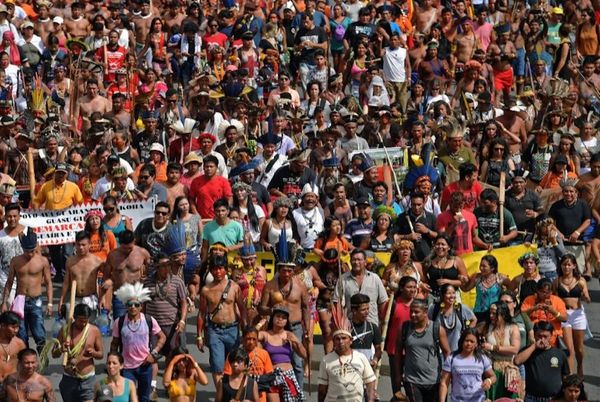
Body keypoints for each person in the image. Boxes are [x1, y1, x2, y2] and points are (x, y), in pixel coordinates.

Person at [110, 282, 166, 402]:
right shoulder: (119, 322)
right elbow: (114, 343)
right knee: (128, 397)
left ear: (141, 306)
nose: (133, 307)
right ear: (126, 306)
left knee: (145, 398)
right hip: (126, 367)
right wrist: (113, 363)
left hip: (145, 366)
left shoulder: (149, 320)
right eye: (130, 304)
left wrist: (153, 354)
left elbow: (162, 337)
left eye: (136, 304)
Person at [197, 254, 247, 386]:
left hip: (232, 330)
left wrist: (245, 329)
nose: (217, 272)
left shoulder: (234, 287)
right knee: (217, 365)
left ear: (226, 269)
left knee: (234, 364)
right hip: (214, 331)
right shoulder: (206, 290)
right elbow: (202, 313)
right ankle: (221, 394)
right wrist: (199, 336)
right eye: (214, 269)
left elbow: (242, 309)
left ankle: (231, 392)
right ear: (210, 270)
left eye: (220, 268)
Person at [1, 230, 51, 352]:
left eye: (33, 250)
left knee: (39, 333)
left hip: (36, 300)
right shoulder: (16, 261)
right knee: (21, 334)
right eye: (27, 251)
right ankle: (25, 361)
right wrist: (4, 302)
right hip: (20, 300)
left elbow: (49, 282)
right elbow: (9, 282)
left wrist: (49, 303)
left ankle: (42, 359)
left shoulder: (43, 261)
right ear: (22, 248)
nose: (30, 254)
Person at [395, 298, 450, 402]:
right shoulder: (404, 328)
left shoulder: (437, 329)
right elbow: (398, 353)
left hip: (434, 381)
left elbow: (447, 352)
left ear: (425, 312)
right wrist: (398, 375)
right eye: (411, 311)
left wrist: (446, 376)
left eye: (416, 312)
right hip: (412, 380)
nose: (412, 314)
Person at [317, 313, 377, 402]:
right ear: (333, 341)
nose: (341, 342)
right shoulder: (326, 360)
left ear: (351, 341)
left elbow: (370, 382)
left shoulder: (360, 358)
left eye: (344, 338)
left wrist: (370, 400)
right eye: (337, 339)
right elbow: (322, 388)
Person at [52, 304, 103, 402]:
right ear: (74, 317)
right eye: (80, 321)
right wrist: (61, 349)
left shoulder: (94, 331)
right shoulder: (65, 330)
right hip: (69, 378)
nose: (83, 324)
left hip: (88, 379)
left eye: (86, 320)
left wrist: (93, 353)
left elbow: (101, 354)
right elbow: (54, 354)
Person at [143, 254, 188, 361]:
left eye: (169, 265)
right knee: (152, 356)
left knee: (173, 355)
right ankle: (153, 378)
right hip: (153, 326)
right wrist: (143, 322)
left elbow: (183, 302)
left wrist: (182, 321)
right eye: (163, 266)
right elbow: (143, 304)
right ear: (157, 267)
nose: (167, 268)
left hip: (172, 325)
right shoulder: (148, 283)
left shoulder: (177, 281)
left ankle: (169, 377)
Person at [553, 253, 591, 376]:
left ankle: (580, 366)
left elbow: (587, 298)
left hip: (578, 314)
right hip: (564, 315)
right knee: (570, 349)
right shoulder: (557, 281)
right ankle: (569, 376)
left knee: (579, 349)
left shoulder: (580, 281)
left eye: (569, 264)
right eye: (564, 265)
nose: (566, 267)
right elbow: (554, 298)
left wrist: (585, 296)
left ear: (574, 266)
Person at [258, 305, 306, 402]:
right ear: (273, 318)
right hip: (272, 375)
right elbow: (251, 336)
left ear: (286, 321)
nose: (280, 319)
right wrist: (259, 325)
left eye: (284, 318)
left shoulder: (289, 334)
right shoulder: (265, 334)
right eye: (278, 316)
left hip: (288, 375)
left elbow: (304, 355)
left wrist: (296, 341)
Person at [514, 321, 570, 402]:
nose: (542, 339)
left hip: (553, 399)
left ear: (551, 335)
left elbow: (566, 377)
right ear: (534, 335)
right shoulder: (528, 351)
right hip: (531, 398)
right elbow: (517, 361)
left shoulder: (559, 354)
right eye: (539, 336)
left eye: (545, 336)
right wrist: (534, 346)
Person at [102, 230, 151, 320]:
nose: (127, 251)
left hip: (137, 295)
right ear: (120, 244)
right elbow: (106, 277)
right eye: (124, 248)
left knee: (139, 323)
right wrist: (104, 297)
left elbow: (152, 269)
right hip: (120, 296)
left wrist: (147, 277)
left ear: (134, 241)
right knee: (119, 324)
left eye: (130, 248)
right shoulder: (112, 255)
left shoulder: (142, 253)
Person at [438, 328, 496, 402]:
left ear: (476, 344)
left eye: (472, 341)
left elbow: (493, 376)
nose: (469, 343)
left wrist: (489, 381)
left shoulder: (482, 359)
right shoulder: (452, 358)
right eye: (466, 340)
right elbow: (444, 383)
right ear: (462, 341)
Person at [333, 249, 388, 327]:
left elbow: (383, 302)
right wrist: (340, 324)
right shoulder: (343, 279)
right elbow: (337, 303)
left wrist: (383, 322)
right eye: (353, 260)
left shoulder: (375, 278)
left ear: (365, 262)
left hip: (372, 324)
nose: (356, 262)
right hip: (350, 326)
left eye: (359, 260)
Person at [58, 231, 103, 320]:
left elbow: (106, 279)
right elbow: (66, 283)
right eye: (78, 245)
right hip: (74, 299)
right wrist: (61, 300)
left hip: (90, 299)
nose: (81, 247)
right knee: (73, 328)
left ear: (89, 244)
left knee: (90, 329)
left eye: (83, 245)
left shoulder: (97, 261)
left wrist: (103, 299)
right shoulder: (70, 261)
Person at [223, 327, 273, 402]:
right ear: (242, 339)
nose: (251, 342)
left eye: (254, 339)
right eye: (248, 339)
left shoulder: (264, 354)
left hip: (260, 397)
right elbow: (227, 377)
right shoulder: (234, 355)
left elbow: (269, 377)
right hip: (237, 396)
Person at [428, 284, 476, 352]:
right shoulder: (434, 309)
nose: (452, 296)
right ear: (442, 295)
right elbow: (428, 323)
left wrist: (466, 335)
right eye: (449, 293)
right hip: (439, 350)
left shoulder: (461, 308)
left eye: (453, 293)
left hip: (457, 350)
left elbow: (474, 320)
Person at [0, 311, 25, 382]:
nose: (16, 330)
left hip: (12, 384)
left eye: (17, 327)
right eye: (13, 327)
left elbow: (25, 363)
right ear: (3, 326)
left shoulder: (19, 344)